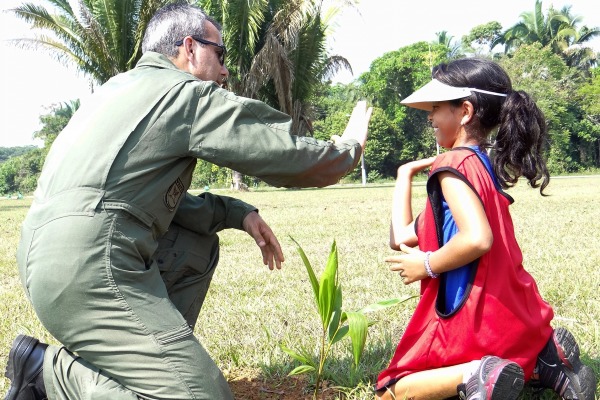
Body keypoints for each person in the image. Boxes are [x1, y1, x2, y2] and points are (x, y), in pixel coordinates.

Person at [3, 3, 372, 400]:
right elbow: (284, 153)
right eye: (221, 54)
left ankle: (155, 364)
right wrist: (348, 150)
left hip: (44, 259)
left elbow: (137, 199)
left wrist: (236, 212)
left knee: (196, 245)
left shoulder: (115, 90)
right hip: (94, 265)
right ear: (190, 48)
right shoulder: (184, 94)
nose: (226, 69)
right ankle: (50, 375)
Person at [374, 58, 597, 400]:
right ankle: (544, 362)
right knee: (509, 360)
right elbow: (401, 237)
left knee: (391, 390)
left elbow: (478, 238)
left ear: (464, 111)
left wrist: (427, 264)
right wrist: (405, 173)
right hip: (513, 314)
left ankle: (477, 373)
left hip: (473, 319)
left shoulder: (452, 165)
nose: (429, 117)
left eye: (435, 108)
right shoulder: (479, 164)